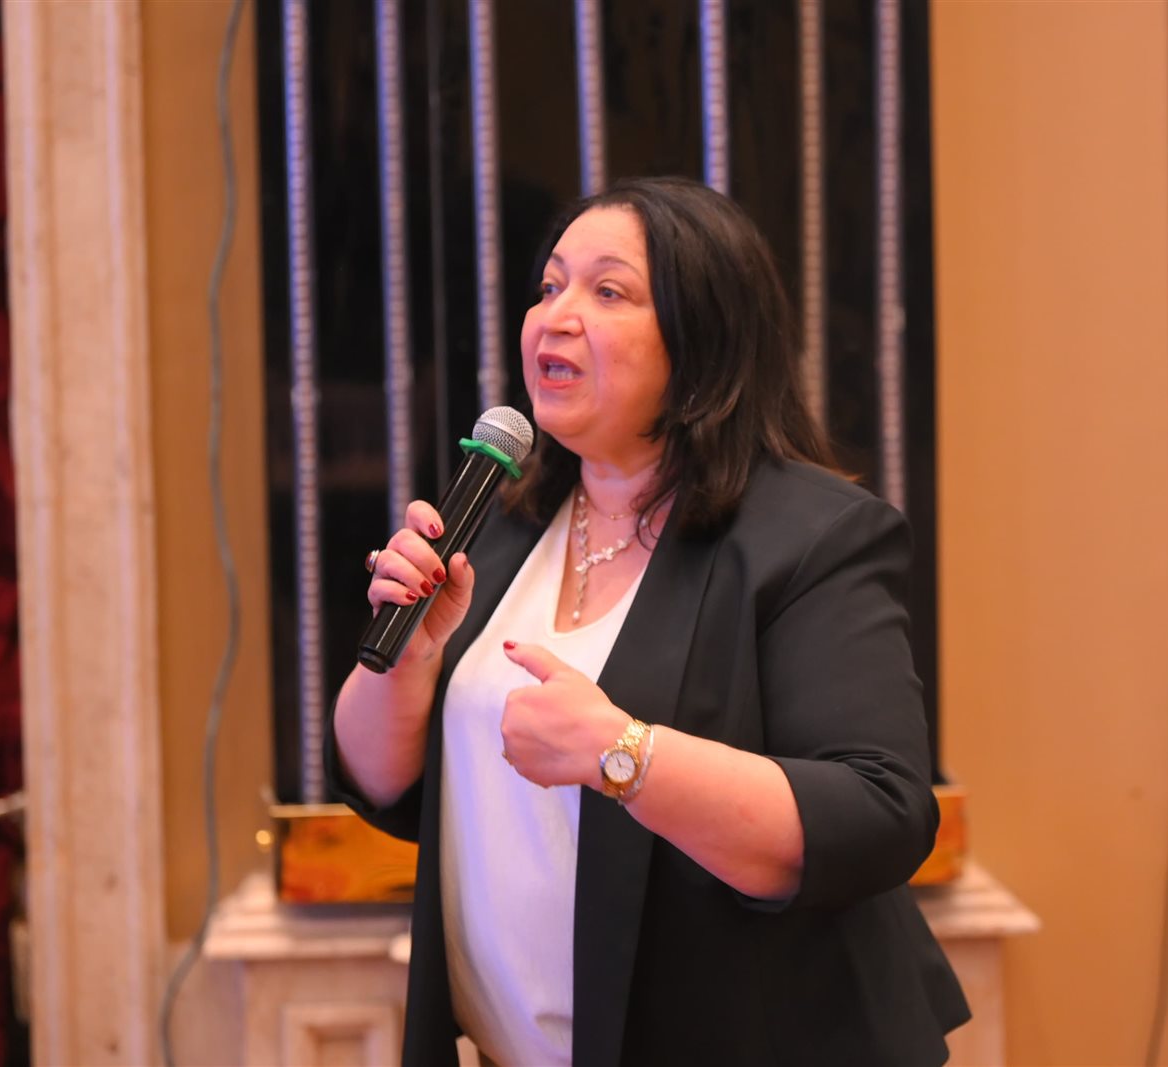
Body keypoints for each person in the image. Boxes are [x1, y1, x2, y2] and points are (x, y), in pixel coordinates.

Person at [328, 176, 968, 1067]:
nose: (555, 317)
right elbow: (382, 782)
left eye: (608, 291)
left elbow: (876, 813)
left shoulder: (812, 538)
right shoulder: (506, 524)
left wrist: (621, 752)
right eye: (550, 286)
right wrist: (407, 660)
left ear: (702, 339)